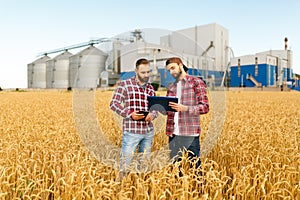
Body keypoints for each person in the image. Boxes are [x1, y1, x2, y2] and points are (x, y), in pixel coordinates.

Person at [110, 58, 158, 176]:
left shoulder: (151, 88)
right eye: (143, 72)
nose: (146, 75)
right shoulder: (125, 85)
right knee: (125, 165)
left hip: (148, 132)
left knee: (144, 165)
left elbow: (155, 108)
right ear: (136, 70)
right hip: (132, 132)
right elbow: (114, 104)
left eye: (148, 72)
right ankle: (121, 188)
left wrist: (152, 115)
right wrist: (130, 114)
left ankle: (139, 190)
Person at [165, 57, 209, 175]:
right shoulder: (171, 87)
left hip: (190, 134)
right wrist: (161, 108)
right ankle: (178, 193)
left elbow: (205, 107)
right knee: (175, 170)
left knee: (195, 169)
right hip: (173, 133)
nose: (172, 72)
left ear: (180, 65)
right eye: (169, 70)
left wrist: (185, 108)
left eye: (173, 68)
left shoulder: (196, 82)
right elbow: (169, 111)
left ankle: (200, 192)